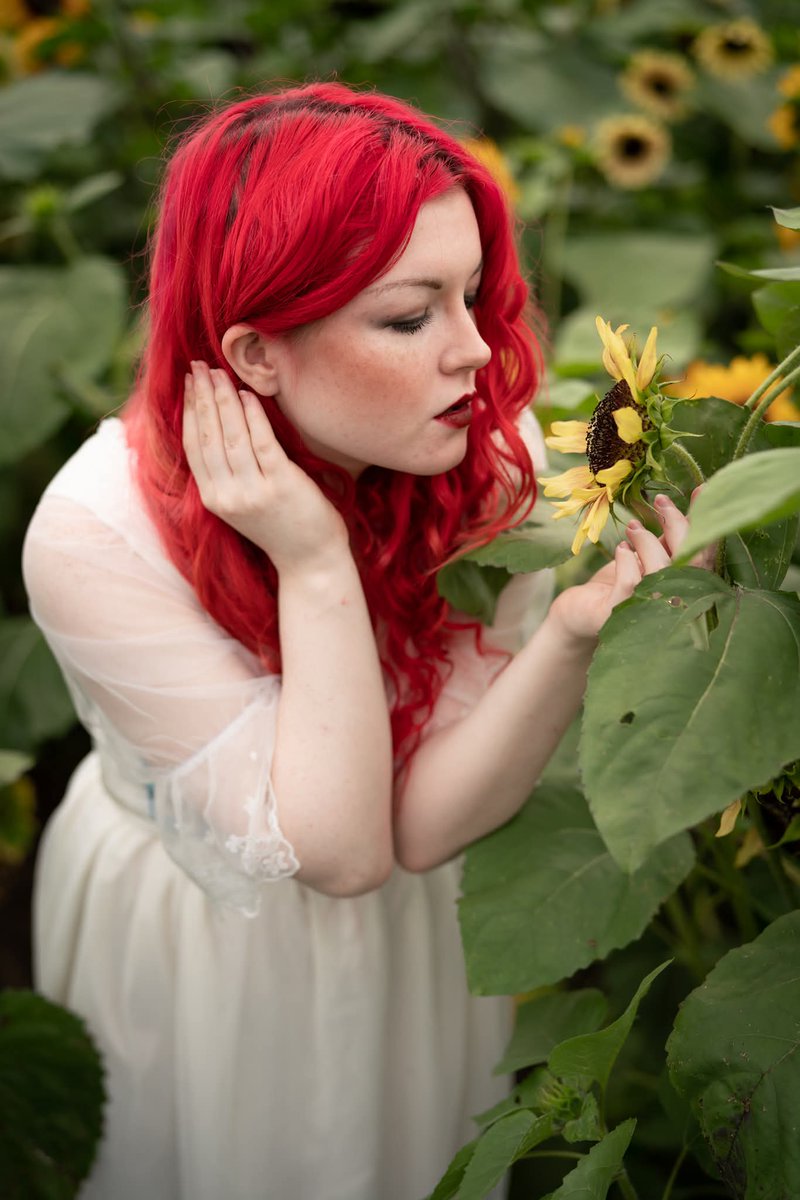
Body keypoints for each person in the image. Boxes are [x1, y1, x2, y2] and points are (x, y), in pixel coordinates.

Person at [22, 81, 693, 1200]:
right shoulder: (97, 534)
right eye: (409, 316)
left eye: (471, 294)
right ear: (256, 353)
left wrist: (571, 636)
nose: (476, 353)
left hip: (407, 926)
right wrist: (317, 563)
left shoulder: (484, 462)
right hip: (200, 934)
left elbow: (416, 831)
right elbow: (333, 854)